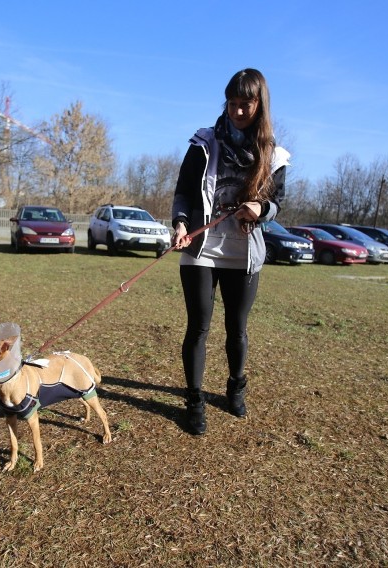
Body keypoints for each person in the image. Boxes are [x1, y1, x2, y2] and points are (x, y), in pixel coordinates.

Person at [170, 68, 290, 435]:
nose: (238, 111)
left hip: (244, 254)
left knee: (236, 328)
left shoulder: (273, 154)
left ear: (260, 105)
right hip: (201, 248)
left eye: (246, 105)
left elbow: (277, 203)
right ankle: (194, 401)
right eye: (232, 104)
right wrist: (179, 223)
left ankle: (235, 389)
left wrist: (259, 209)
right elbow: (184, 192)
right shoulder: (204, 143)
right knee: (198, 327)